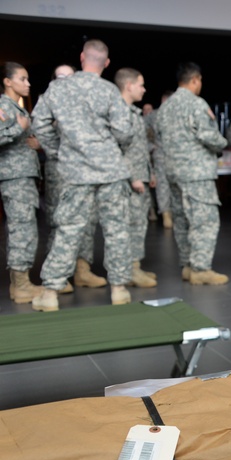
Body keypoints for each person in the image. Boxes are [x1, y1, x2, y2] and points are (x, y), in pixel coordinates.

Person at [31, 39, 135, 311]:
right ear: (107, 63)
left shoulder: (59, 88)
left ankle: (51, 293)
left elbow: (38, 122)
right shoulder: (110, 90)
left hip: (76, 171)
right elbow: (125, 131)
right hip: (111, 170)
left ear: (81, 57)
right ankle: (120, 290)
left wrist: (57, 150)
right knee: (117, 230)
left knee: (68, 229)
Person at [157, 62, 230, 284]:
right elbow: (209, 136)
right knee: (204, 220)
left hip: (173, 173)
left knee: (181, 220)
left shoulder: (166, 107)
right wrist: (223, 143)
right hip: (196, 173)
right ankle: (201, 269)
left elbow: (158, 134)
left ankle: (187, 265)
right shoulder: (197, 104)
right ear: (195, 80)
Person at [0, 61, 43, 303]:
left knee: (25, 227)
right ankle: (20, 286)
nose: (27, 84)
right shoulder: (3, 106)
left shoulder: (17, 108)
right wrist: (18, 129)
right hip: (14, 178)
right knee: (21, 229)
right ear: (8, 82)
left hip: (23, 177)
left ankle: (23, 282)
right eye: (22, 79)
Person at [114, 67, 158, 289]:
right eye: (140, 84)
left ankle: (135, 267)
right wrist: (133, 177)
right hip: (128, 181)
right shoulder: (119, 111)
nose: (144, 88)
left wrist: (148, 172)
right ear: (129, 85)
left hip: (140, 176)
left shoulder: (133, 112)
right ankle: (129, 270)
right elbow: (117, 149)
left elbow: (138, 148)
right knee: (131, 224)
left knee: (139, 223)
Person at [147, 91, 173, 228]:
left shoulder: (180, 113)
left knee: (175, 185)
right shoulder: (153, 115)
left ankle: (171, 214)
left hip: (178, 156)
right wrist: (151, 147)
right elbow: (140, 134)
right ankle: (166, 215)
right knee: (163, 185)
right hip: (163, 155)